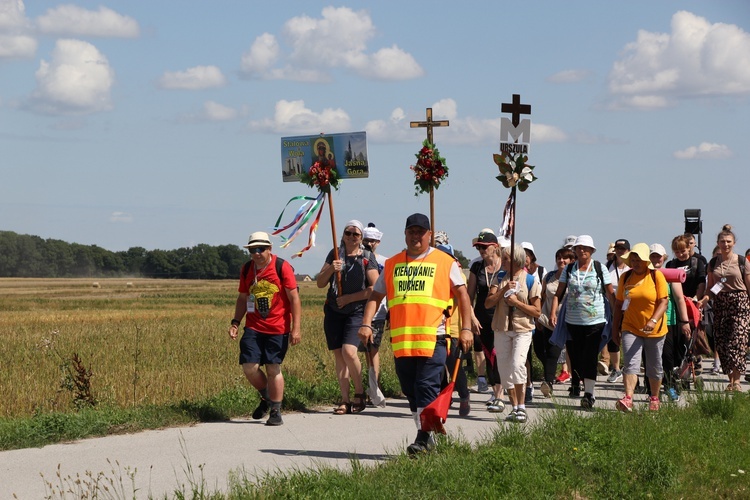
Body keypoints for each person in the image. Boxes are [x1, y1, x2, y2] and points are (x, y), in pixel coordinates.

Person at [358, 213, 475, 456]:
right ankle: (427, 436)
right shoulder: (392, 264)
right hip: (403, 342)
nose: (416, 236)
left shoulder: (445, 262)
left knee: (425, 386)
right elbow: (376, 296)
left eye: (421, 232)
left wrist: (465, 328)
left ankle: (423, 438)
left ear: (429, 235)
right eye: (411, 231)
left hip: (435, 338)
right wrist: (367, 323)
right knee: (410, 390)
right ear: (405, 234)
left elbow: (463, 294)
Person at [228, 231, 301, 426]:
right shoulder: (246, 269)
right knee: (249, 367)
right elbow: (243, 298)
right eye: (253, 249)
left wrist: (296, 328)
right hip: (253, 326)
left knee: (272, 368)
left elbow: (294, 298)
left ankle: (275, 411)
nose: (257, 253)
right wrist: (235, 322)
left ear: (270, 249)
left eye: (261, 249)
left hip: (278, 327)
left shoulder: (281, 267)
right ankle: (268, 397)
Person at [317, 220, 379, 414]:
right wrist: (331, 269)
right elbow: (320, 282)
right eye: (348, 233)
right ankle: (344, 400)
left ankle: (359, 393)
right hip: (334, 311)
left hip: (356, 311)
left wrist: (349, 298)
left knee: (349, 352)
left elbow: (374, 288)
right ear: (342, 234)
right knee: (339, 356)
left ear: (361, 237)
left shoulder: (366, 257)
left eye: (356, 234)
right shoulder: (335, 254)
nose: (351, 237)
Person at [550, 235, 614, 409]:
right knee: (576, 356)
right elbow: (559, 293)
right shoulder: (570, 269)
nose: (581, 250)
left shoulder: (600, 268)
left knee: (590, 357)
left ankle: (589, 394)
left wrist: (616, 318)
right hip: (572, 320)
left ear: (592, 250)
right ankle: (576, 383)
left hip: (596, 321)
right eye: (578, 248)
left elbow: (610, 293)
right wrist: (553, 312)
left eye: (585, 248)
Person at [485, 245, 542, 423]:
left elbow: (537, 311)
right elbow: (487, 303)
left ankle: (522, 407)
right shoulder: (499, 277)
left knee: (518, 364)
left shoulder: (530, 280)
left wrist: (516, 303)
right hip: (501, 328)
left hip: (522, 329)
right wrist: (502, 291)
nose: (503, 261)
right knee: (504, 368)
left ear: (516, 260)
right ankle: (513, 406)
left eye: (507, 259)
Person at [612, 243, 669, 412]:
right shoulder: (626, 277)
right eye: (633, 259)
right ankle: (628, 397)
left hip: (655, 329)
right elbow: (619, 304)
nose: (636, 263)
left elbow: (663, 302)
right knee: (631, 363)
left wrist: (652, 321)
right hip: (631, 326)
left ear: (646, 261)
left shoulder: (655, 276)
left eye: (639, 260)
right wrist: (615, 329)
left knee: (654, 366)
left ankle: (654, 397)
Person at [698, 225, 750, 392]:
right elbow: (712, 287)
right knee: (723, 343)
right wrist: (705, 299)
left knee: (738, 341)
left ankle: (737, 381)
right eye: (722, 241)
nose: (725, 244)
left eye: (728, 241)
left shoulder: (742, 261)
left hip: (740, 301)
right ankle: (730, 380)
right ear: (717, 243)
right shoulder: (713, 263)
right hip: (721, 303)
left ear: (734, 243)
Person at [467, 231, 505, 411]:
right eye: (478, 247)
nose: (481, 250)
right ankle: (496, 392)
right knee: (489, 356)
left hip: (502, 318)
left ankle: (501, 394)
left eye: (484, 247)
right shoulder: (476, 267)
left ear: (495, 247)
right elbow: (469, 296)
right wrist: (472, 317)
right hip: (482, 318)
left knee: (500, 355)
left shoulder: (505, 267)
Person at [650, 243, 692, 402]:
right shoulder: (644, 274)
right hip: (648, 321)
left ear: (664, 258)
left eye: (658, 256)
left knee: (667, 357)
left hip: (668, 321)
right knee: (650, 357)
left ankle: (668, 386)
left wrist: (684, 321)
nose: (655, 259)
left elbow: (680, 299)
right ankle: (652, 389)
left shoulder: (671, 275)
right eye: (652, 256)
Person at [435, 238, 471, 417]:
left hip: (454, 330)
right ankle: (443, 398)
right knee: (438, 366)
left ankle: (464, 395)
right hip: (437, 329)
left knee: (453, 366)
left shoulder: (458, 274)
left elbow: (462, 298)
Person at [535, 247, 575, 397]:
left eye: (565, 258)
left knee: (573, 352)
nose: (561, 260)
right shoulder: (549, 276)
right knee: (548, 352)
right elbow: (542, 296)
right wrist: (537, 316)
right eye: (558, 258)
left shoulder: (575, 277)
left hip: (570, 320)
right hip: (549, 321)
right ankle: (548, 383)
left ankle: (576, 382)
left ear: (572, 261)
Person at [358, 222, 387, 405]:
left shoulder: (385, 261)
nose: (370, 243)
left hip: (378, 313)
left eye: (373, 241)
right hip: (359, 312)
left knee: (373, 351)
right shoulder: (359, 258)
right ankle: (366, 386)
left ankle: (374, 388)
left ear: (378, 242)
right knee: (362, 352)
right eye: (367, 240)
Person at [602, 238, 630, 382]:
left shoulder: (632, 267)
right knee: (613, 337)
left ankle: (630, 369)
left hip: (629, 306)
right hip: (611, 306)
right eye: (618, 248)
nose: (620, 251)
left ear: (628, 251)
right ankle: (617, 368)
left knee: (628, 337)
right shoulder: (607, 266)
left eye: (623, 249)